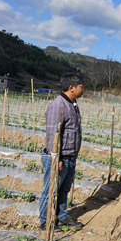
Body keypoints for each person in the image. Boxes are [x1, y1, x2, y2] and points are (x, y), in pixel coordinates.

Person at [38, 73, 84, 230]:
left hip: (70, 157)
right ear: (71, 88)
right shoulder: (58, 105)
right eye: (81, 87)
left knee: (64, 189)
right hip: (59, 158)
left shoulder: (73, 104)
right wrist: (55, 158)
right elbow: (52, 134)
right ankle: (45, 221)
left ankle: (62, 216)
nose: (83, 90)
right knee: (50, 190)